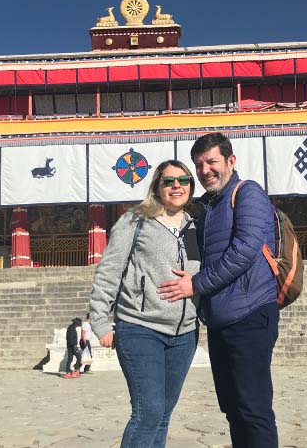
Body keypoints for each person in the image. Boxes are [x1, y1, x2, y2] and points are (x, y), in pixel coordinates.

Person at [158, 132, 280, 448]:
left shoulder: (248, 193)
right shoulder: (210, 206)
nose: (205, 170)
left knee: (253, 408)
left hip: (250, 314)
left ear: (230, 161)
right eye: (199, 165)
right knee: (232, 408)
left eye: (211, 161)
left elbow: (245, 250)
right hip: (220, 318)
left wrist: (195, 284)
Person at [89, 160, 201, 448]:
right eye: (169, 181)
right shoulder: (135, 220)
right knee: (148, 411)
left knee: (163, 414)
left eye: (183, 180)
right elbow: (109, 270)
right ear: (157, 187)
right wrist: (100, 321)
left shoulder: (196, 226)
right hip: (141, 327)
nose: (177, 186)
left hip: (185, 333)